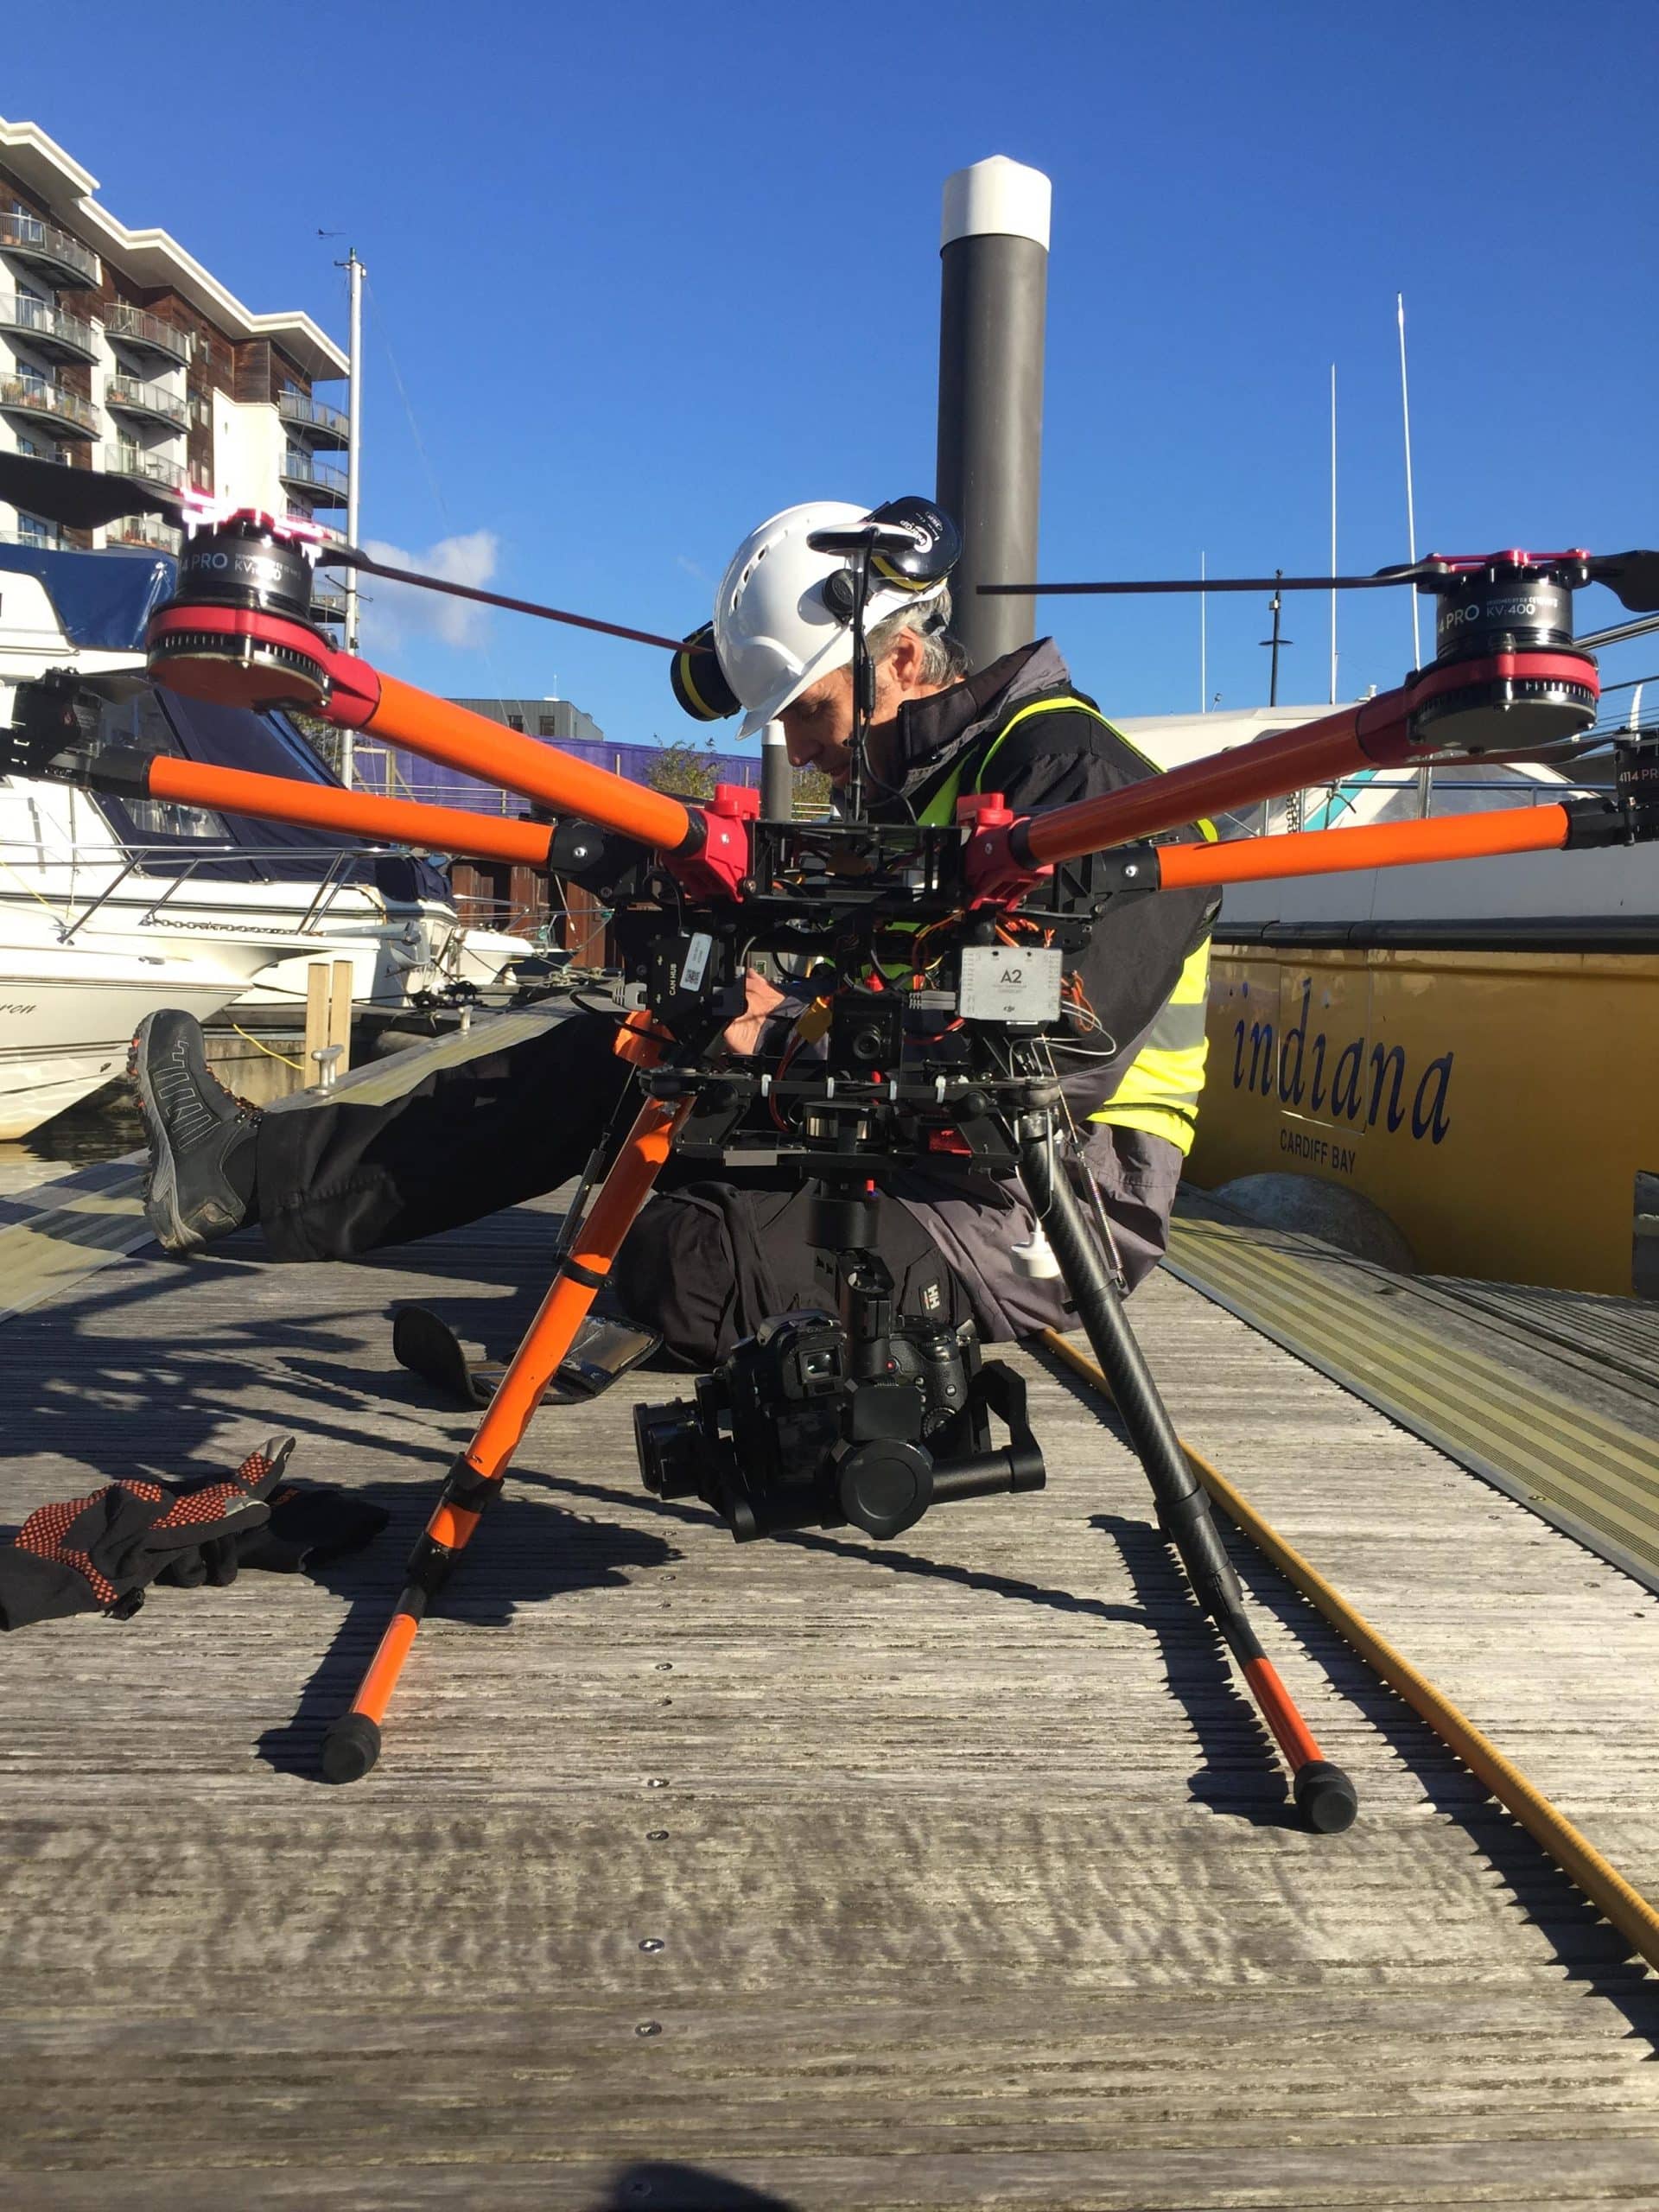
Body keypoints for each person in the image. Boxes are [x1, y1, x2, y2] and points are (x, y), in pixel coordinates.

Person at [130, 498, 1217, 1368]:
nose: (805, 748)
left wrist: (790, 1034)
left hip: (1047, 1199)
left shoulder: (1084, 782)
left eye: (807, 714)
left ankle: (673, 1280)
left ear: (898, 659)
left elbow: (1045, 1045)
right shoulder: (924, 780)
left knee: (681, 1258)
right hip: (916, 1133)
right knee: (610, 1051)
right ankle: (245, 1174)